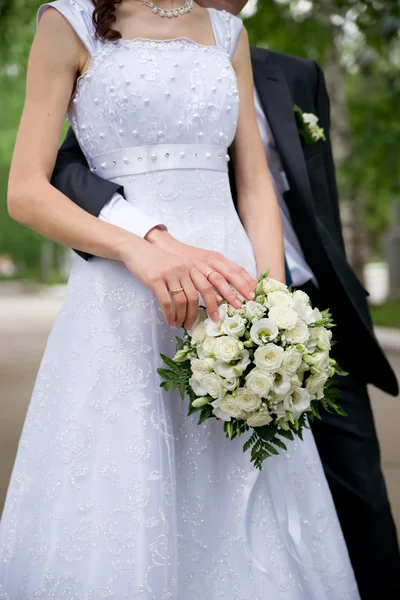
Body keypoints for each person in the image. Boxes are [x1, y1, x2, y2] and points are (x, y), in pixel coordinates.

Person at [0, 0, 360, 597]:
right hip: (122, 297)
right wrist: (138, 250)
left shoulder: (228, 32)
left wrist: (270, 309)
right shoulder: (67, 20)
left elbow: (252, 183)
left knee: (242, 484)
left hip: (231, 292)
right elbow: (26, 192)